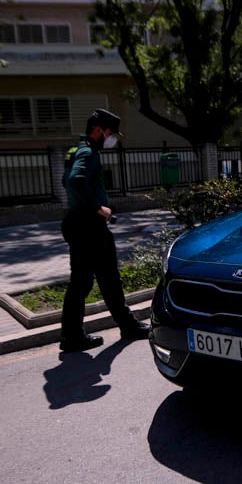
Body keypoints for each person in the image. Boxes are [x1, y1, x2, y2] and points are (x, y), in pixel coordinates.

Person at [59, 108, 150, 351]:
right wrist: (98, 207)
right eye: (110, 133)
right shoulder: (88, 152)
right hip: (89, 225)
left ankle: (71, 336)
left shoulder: (75, 150)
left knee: (82, 281)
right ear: (99, 130)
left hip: (76, 222)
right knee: (106, 279)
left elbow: (65, 181)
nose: (112, 138)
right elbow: (76, 180)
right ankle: (126, 326)